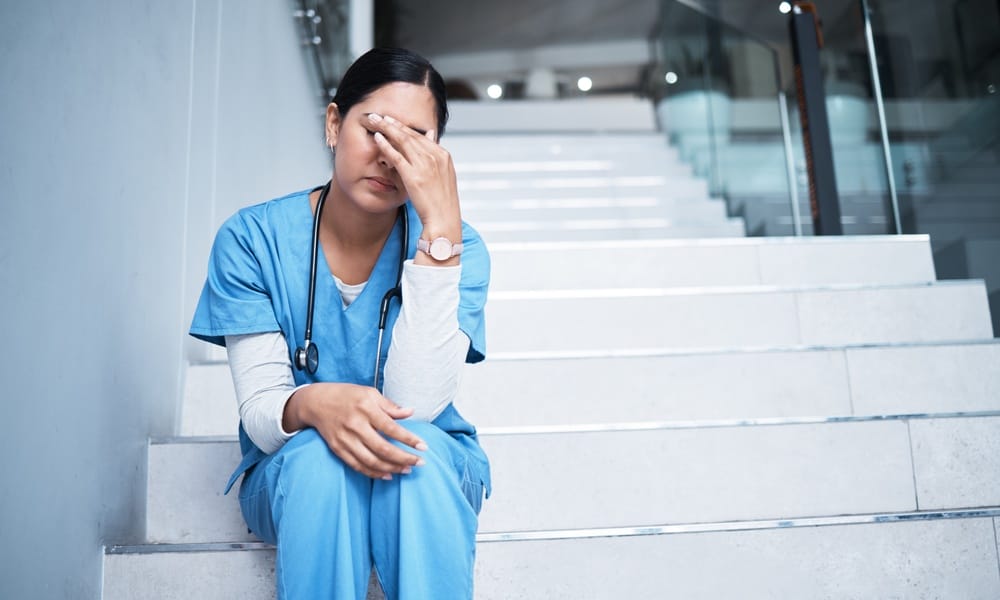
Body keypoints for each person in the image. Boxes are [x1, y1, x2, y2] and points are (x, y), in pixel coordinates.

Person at [190, 47, 490, 599]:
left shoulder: (458, 248)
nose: (389, 156)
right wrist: (313, 405)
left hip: (427, 469)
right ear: (334, 123)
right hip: (297, 473)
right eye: (377, 129)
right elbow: (262, 415)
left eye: (414, 141)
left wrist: (440, 233)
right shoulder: (252, 240)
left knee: (414, 453)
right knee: (320, 459)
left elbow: (416, 404)